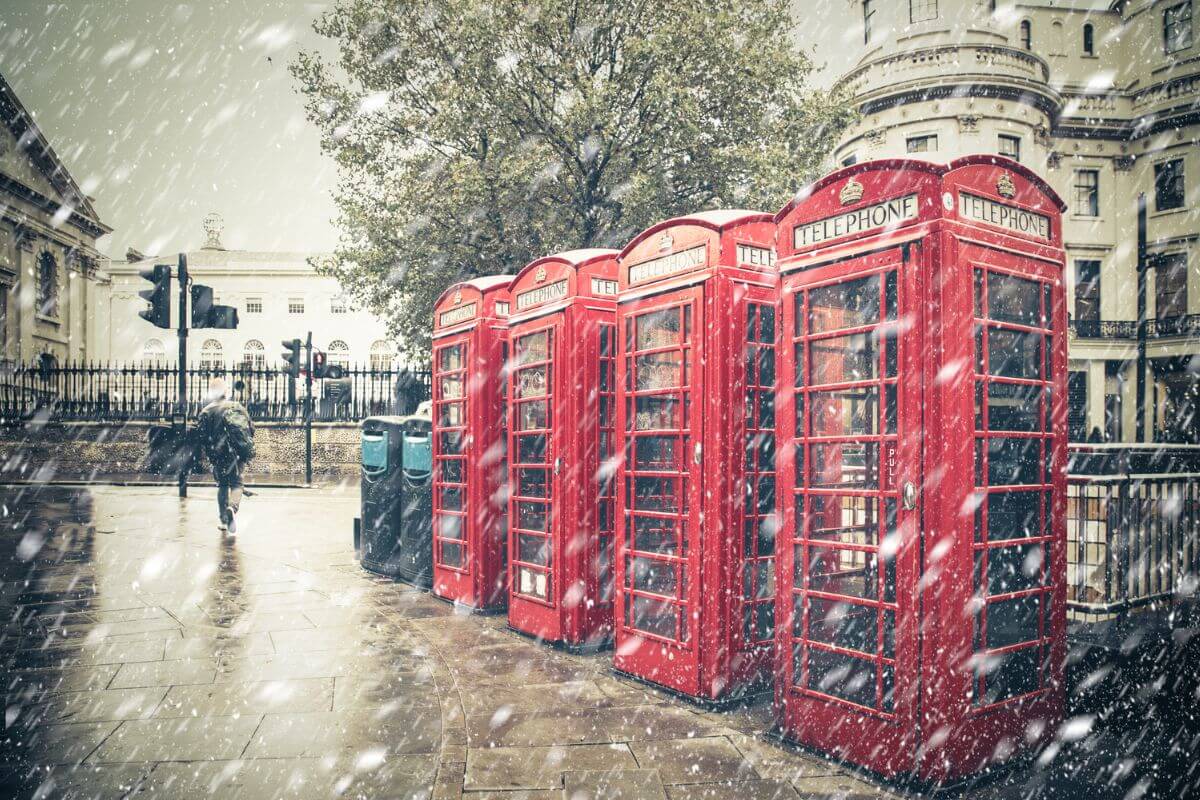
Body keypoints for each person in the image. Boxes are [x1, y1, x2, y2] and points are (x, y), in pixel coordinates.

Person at [195, 377, 255, 534]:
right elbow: (250, 429)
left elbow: (201, 437)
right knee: (237, 484)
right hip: (237, 452)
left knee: (222, 485)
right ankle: (232, 509)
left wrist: (211, 452)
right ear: (226, 391)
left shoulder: (206, 411)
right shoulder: (237, 407)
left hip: (218, 453)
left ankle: (223, 519)